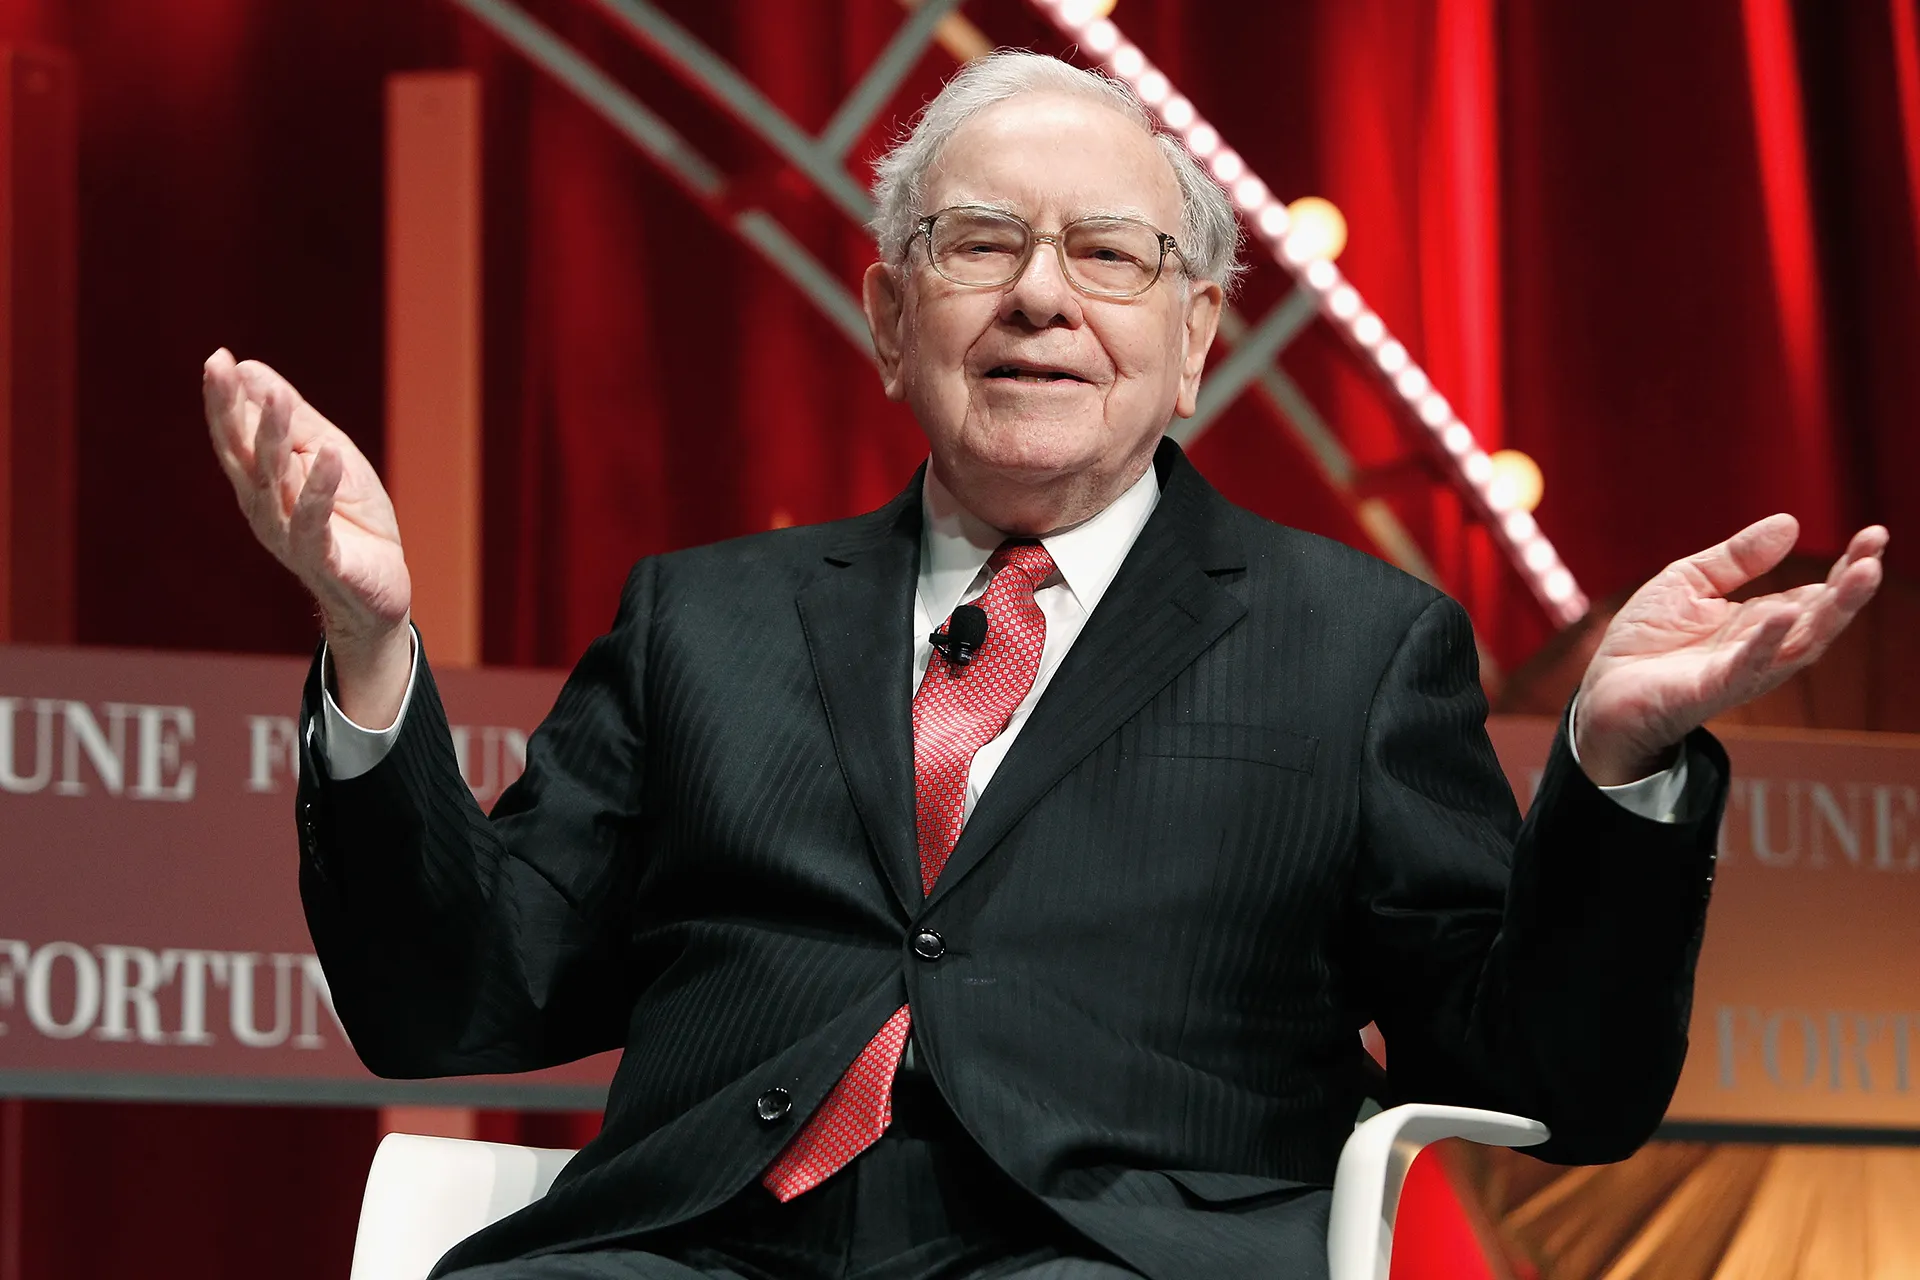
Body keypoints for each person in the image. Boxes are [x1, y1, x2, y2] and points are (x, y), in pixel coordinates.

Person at [203, 50, 1885, 1280]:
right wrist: (371, 645)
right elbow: (453, 1000)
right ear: (884, 317)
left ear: (1196, 347)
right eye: (979, 243)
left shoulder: (1354, 647)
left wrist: (1612, 769)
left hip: (1115, 1253)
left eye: (1112, 254)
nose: (1041, 299)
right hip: (697, 1250)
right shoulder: (699, 623)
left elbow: (1540, 1077)